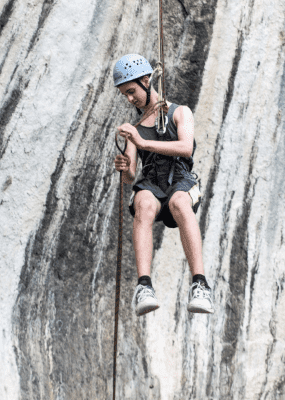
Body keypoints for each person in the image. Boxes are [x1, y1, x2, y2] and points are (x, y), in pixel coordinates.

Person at [112, 54, 214, 316]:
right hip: (152, 183)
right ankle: (144, 286)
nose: (129, 99)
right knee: (143, 202)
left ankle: (200, 284)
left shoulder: (180, 112)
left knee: (180, 202)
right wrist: (125, 166)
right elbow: (132, 176)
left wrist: (143, 142)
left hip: (181, 179)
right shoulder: (135, 128)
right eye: (125, 94)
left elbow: (185, 147)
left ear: (147, 81)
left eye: (132, 91)